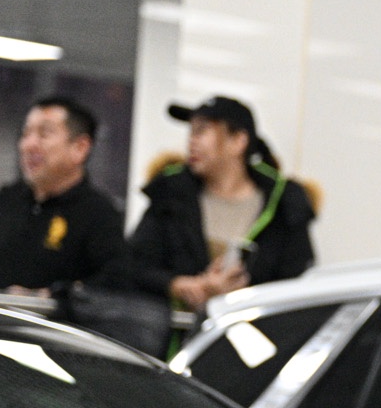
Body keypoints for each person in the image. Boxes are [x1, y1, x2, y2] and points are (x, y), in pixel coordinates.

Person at [128, 96, 315, 310]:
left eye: (201, 131)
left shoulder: (283, 204)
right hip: (177, 328)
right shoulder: (171, 194)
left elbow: (298, 283)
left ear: (238, 141)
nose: (191, 141)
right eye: (191, 132)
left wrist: (244, 296)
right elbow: (133, 265)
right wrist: (178, 285)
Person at [0, 96, 126, 296]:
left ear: (80, 148)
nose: (29, 145)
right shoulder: (8, 198)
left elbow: (115, 281)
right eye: (26, 134)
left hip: (57, 317)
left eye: (44, 134)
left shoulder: (99, 213)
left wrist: (52, 298)